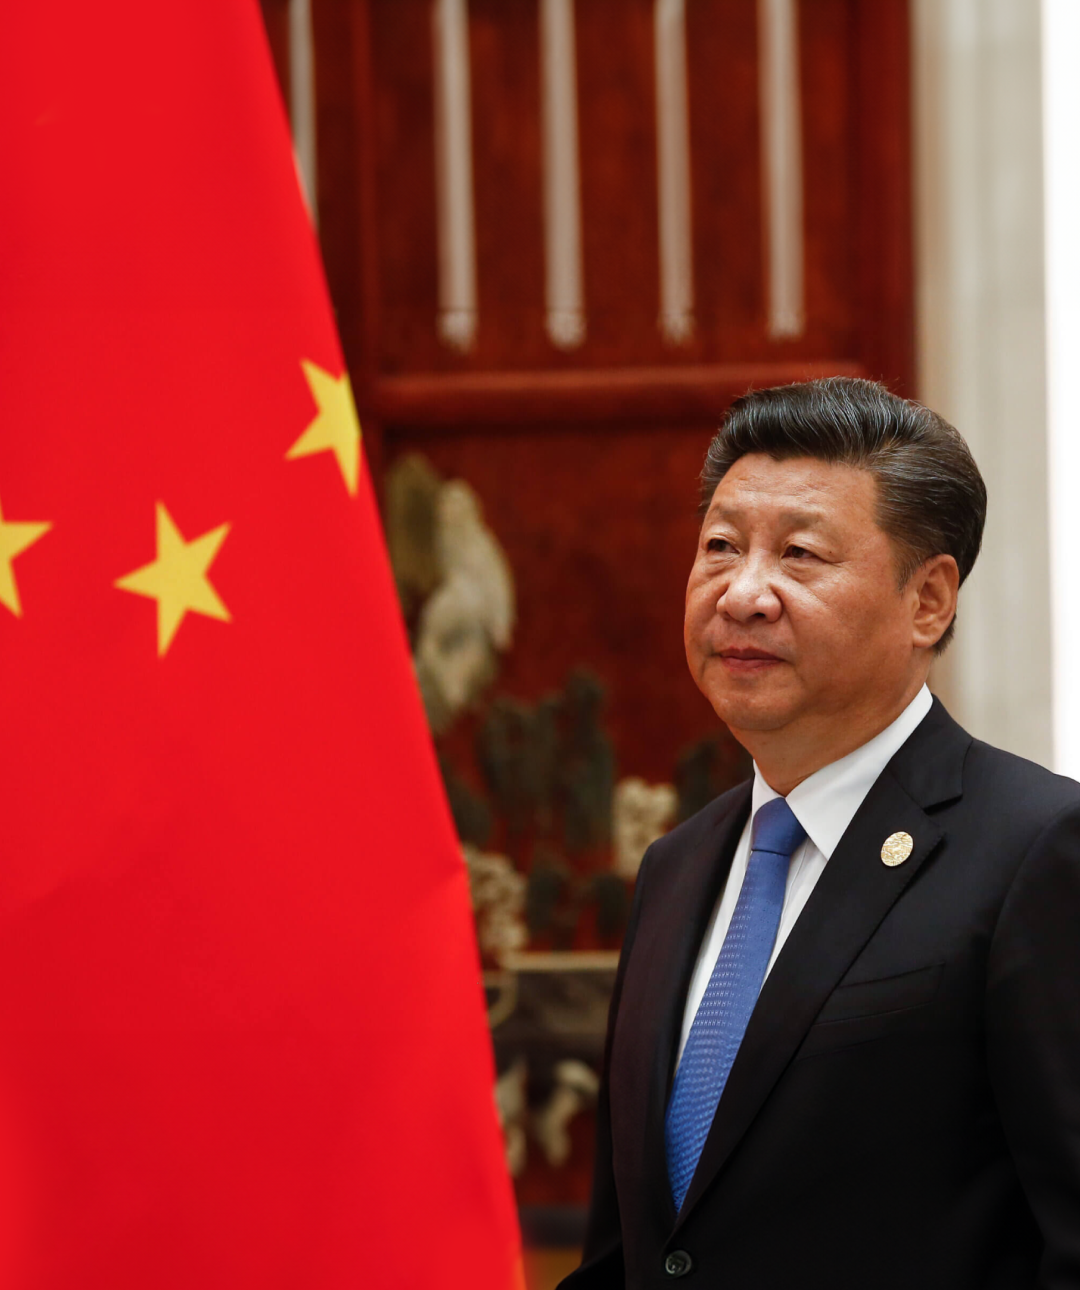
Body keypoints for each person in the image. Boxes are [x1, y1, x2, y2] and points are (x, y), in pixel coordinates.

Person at [560, 377, 1080, 1289]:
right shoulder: (676, 869)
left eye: (800, 555)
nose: (743, 593)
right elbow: (633, 1250)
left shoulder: (1036, 850)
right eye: (720, 547)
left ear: (929, 602)